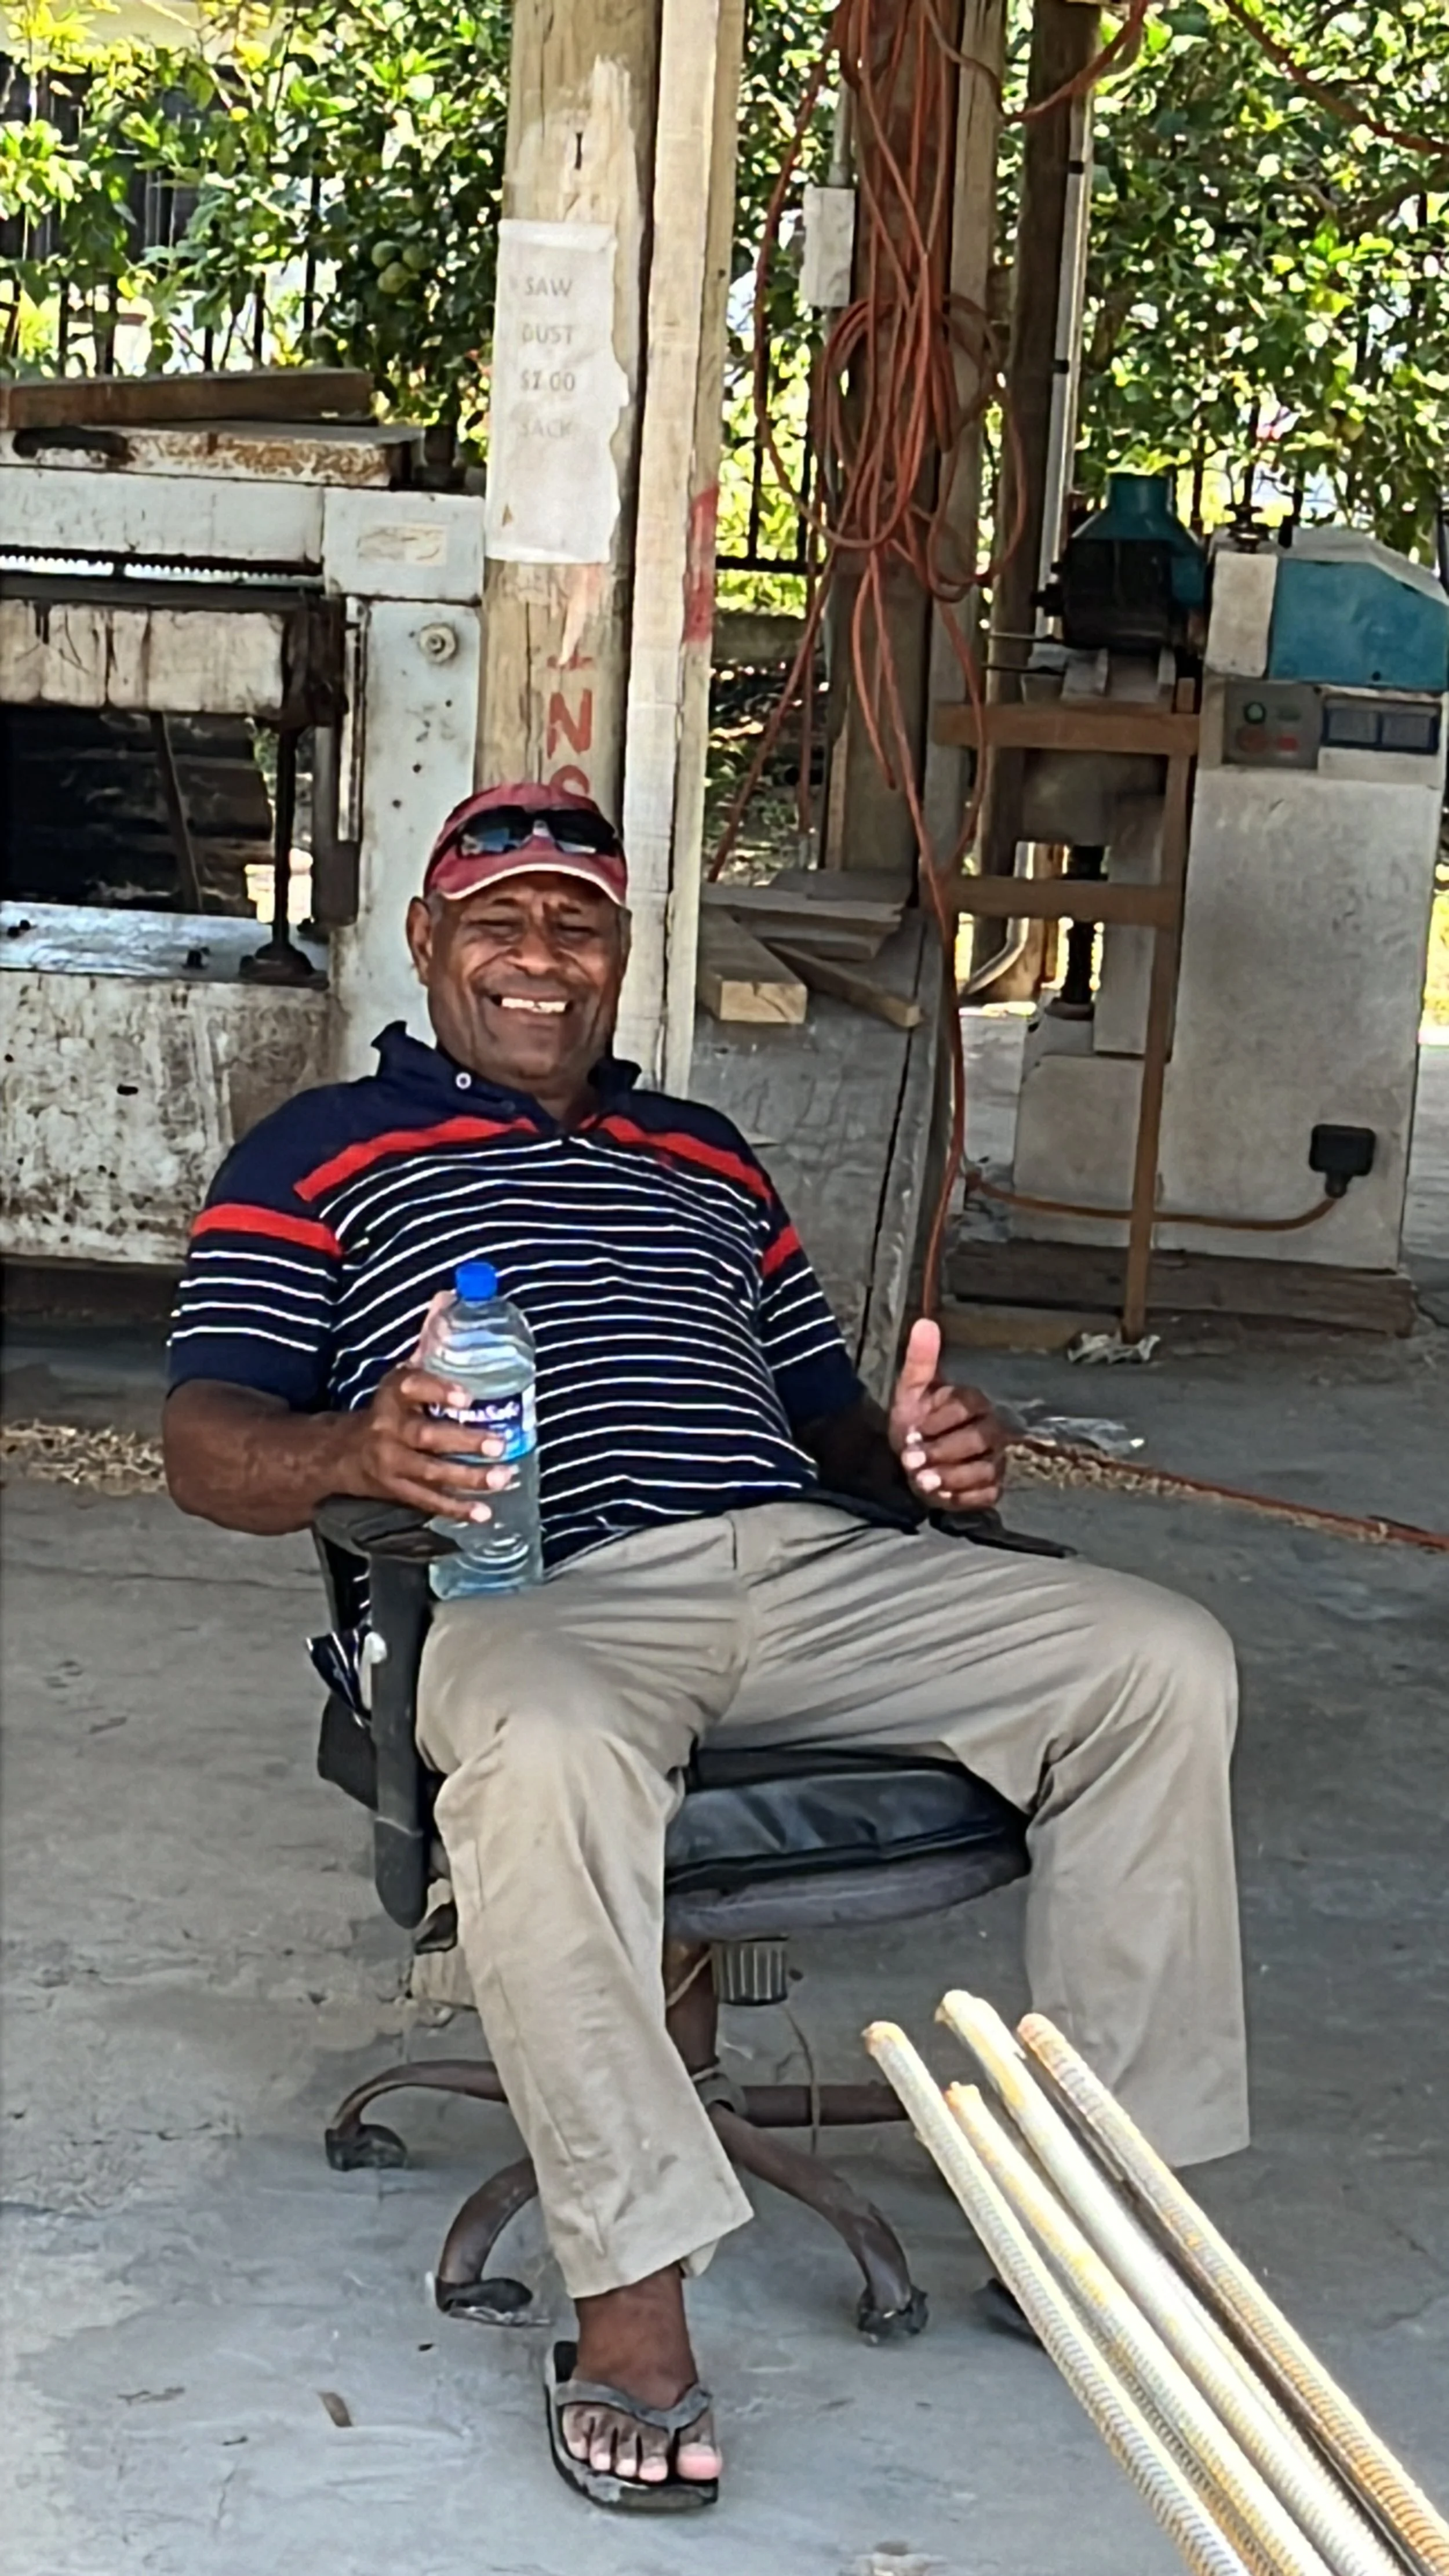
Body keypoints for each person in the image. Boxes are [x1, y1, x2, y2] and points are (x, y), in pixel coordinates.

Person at [163, 779, 1247, 2513]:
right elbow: (206, 1443)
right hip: (531, 1589)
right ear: (429, 943)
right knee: (546, 1747)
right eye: (499, 921)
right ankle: (633, 2301)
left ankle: (1102, 2213)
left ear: (619, 956)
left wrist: (920, 1458)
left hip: (803, 1562)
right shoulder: (315, 1152)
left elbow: (827, 1421)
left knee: (1158, 1656)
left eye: (577, 923)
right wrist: (359, 1450)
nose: (541, 955)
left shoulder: (709, 1155)